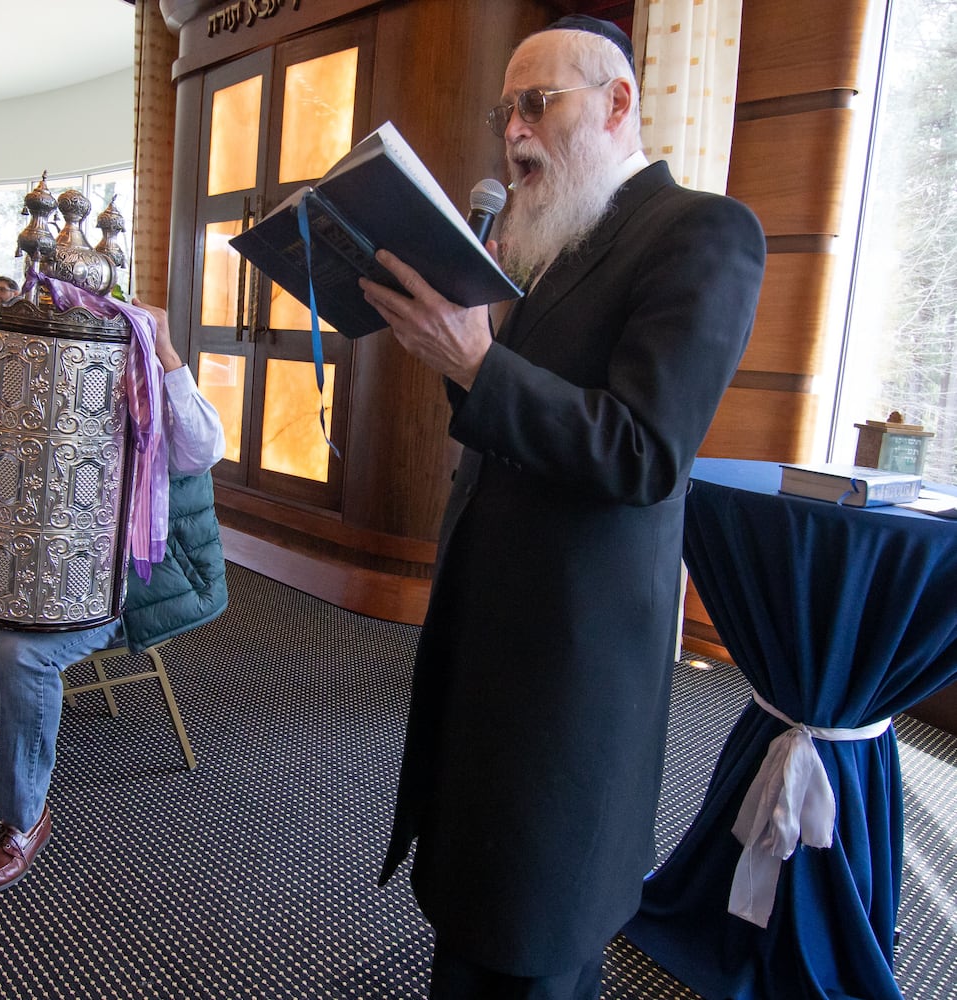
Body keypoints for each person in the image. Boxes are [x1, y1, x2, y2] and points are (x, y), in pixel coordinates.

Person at [361, 16, 766, 999]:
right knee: (476, 909)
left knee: (530, 929)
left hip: (570, 665)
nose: (512, 132)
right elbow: (525, 416)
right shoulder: (560, 239)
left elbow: (642, 449)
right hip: (494, 625)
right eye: (506, 110)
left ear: (617, 103)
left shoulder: (702, 233)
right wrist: (470, 356)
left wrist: (474, 360)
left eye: (535, 104)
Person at [0, 299, 226, 899]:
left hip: (147, 582)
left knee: (22, 654)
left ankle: (22, 819)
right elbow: (26, 504)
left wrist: (165, 351)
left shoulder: (158, 411)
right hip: (44, 571)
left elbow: (203, 448)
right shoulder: (54, 408)